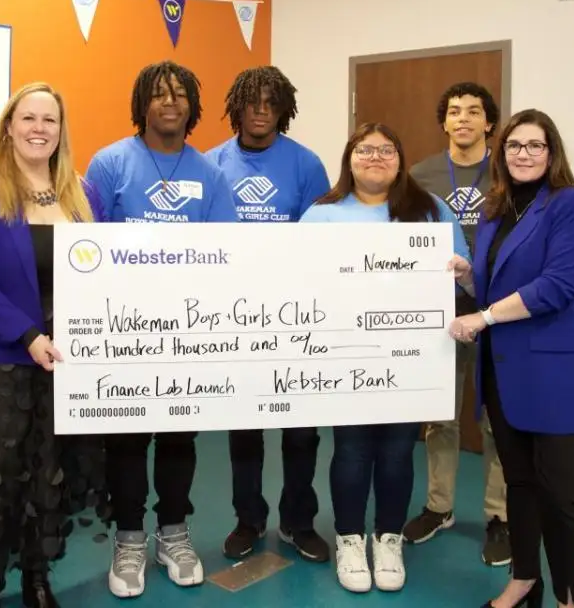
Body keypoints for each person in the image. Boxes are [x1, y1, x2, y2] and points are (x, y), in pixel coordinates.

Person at [0, 83, 107, 608]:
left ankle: (37, 578)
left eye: (50, 120)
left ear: (61, 131)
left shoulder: (83, 195)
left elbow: (102, 270)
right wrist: (27, 334)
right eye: (28, 118)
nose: (39, 129)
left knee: (47, 477)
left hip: (64, 364)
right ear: (8, 127)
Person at [84, 60, 238, 599]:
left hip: (186, 332)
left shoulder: (210, 173)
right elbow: (87, 247)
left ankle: (174, 530)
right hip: (123, 332)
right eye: (159, 95)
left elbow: (226, 253)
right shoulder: (108, 165)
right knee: (126, 440)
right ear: (141, 104)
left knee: (177, 439)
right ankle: (129, 537)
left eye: (179, 95)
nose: (170, 103)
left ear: (193, 106)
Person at [446, 109, 574, 608]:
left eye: (535, 145)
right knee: (518, 484)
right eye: (515, 145)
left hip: (557, 371)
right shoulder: (496, 207)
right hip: (505, 371)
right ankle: (523, 580)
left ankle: (569, 597)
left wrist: (484, 317)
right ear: (502, 151)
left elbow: (557, 287)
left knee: (559, 494)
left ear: (552, 152)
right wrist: (466, 276)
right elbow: (497, 284)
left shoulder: (572, 204)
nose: (523, 154)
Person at [300, 122, 469, 595]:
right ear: (349, 159)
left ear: (400, 158)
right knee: (352, 449)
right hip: (343, 353)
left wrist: (460, 271)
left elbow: (464, 273)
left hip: (411, 356)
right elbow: (296, 279)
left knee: (397, 450)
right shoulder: (322, 214)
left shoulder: (431, 211)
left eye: (387, 150)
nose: (376, 157)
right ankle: (350, 539)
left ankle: (388, 538)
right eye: (365, 150)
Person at [205, 66, 332, 564]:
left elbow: (318, 238)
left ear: (284, 109)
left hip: (294, 314)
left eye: (270, 102)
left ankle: (298, 521)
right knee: (245, 429)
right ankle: (248, 519)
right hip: (234, 316)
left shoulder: (306, 165)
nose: (260, 110)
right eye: (251, 101)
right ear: (235, 106)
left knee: (301, 429)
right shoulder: (212, 163)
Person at [406, 82, 510, 566]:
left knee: (496, 421)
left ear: (489, 122)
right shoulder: (421, 174)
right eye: (454, 111)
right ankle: (439, 506)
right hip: (439, 315)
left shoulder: (509, 169)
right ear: (444, 122)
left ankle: (499, 515)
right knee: (440, 418)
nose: (463, 118)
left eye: (474, 111)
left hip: (497, 315)